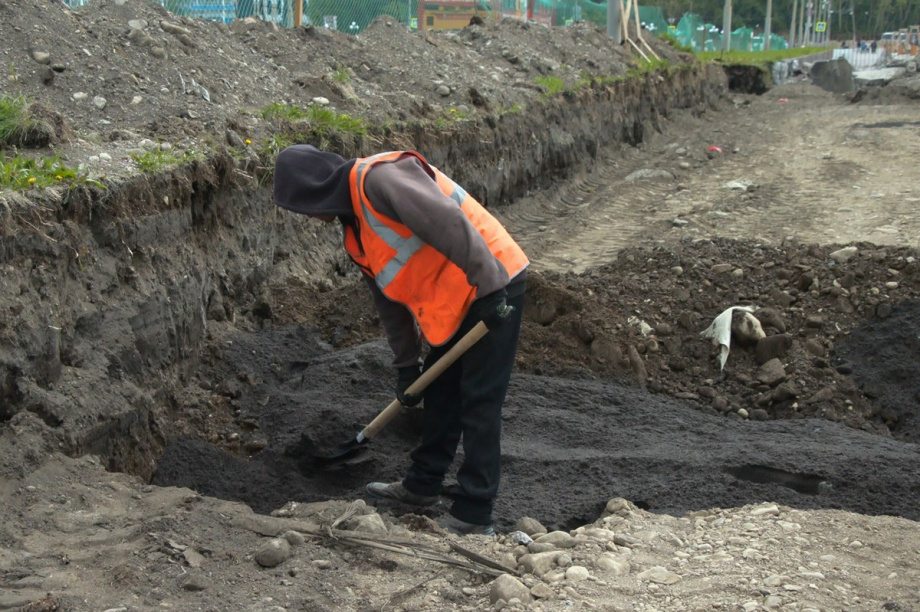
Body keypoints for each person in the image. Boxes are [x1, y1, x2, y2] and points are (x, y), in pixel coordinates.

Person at [273, 145, 529, 536]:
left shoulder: (381, 180)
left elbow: (449, 221)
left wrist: (491, 285)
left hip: (493, 281)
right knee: (441, 392)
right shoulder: (355, 232)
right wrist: (407, 367)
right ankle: (421, 486)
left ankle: (474, 513)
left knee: (479, 400)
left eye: (302, 206)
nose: (308, 217)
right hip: (456, 300)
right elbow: (388, 302)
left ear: (313, 189)